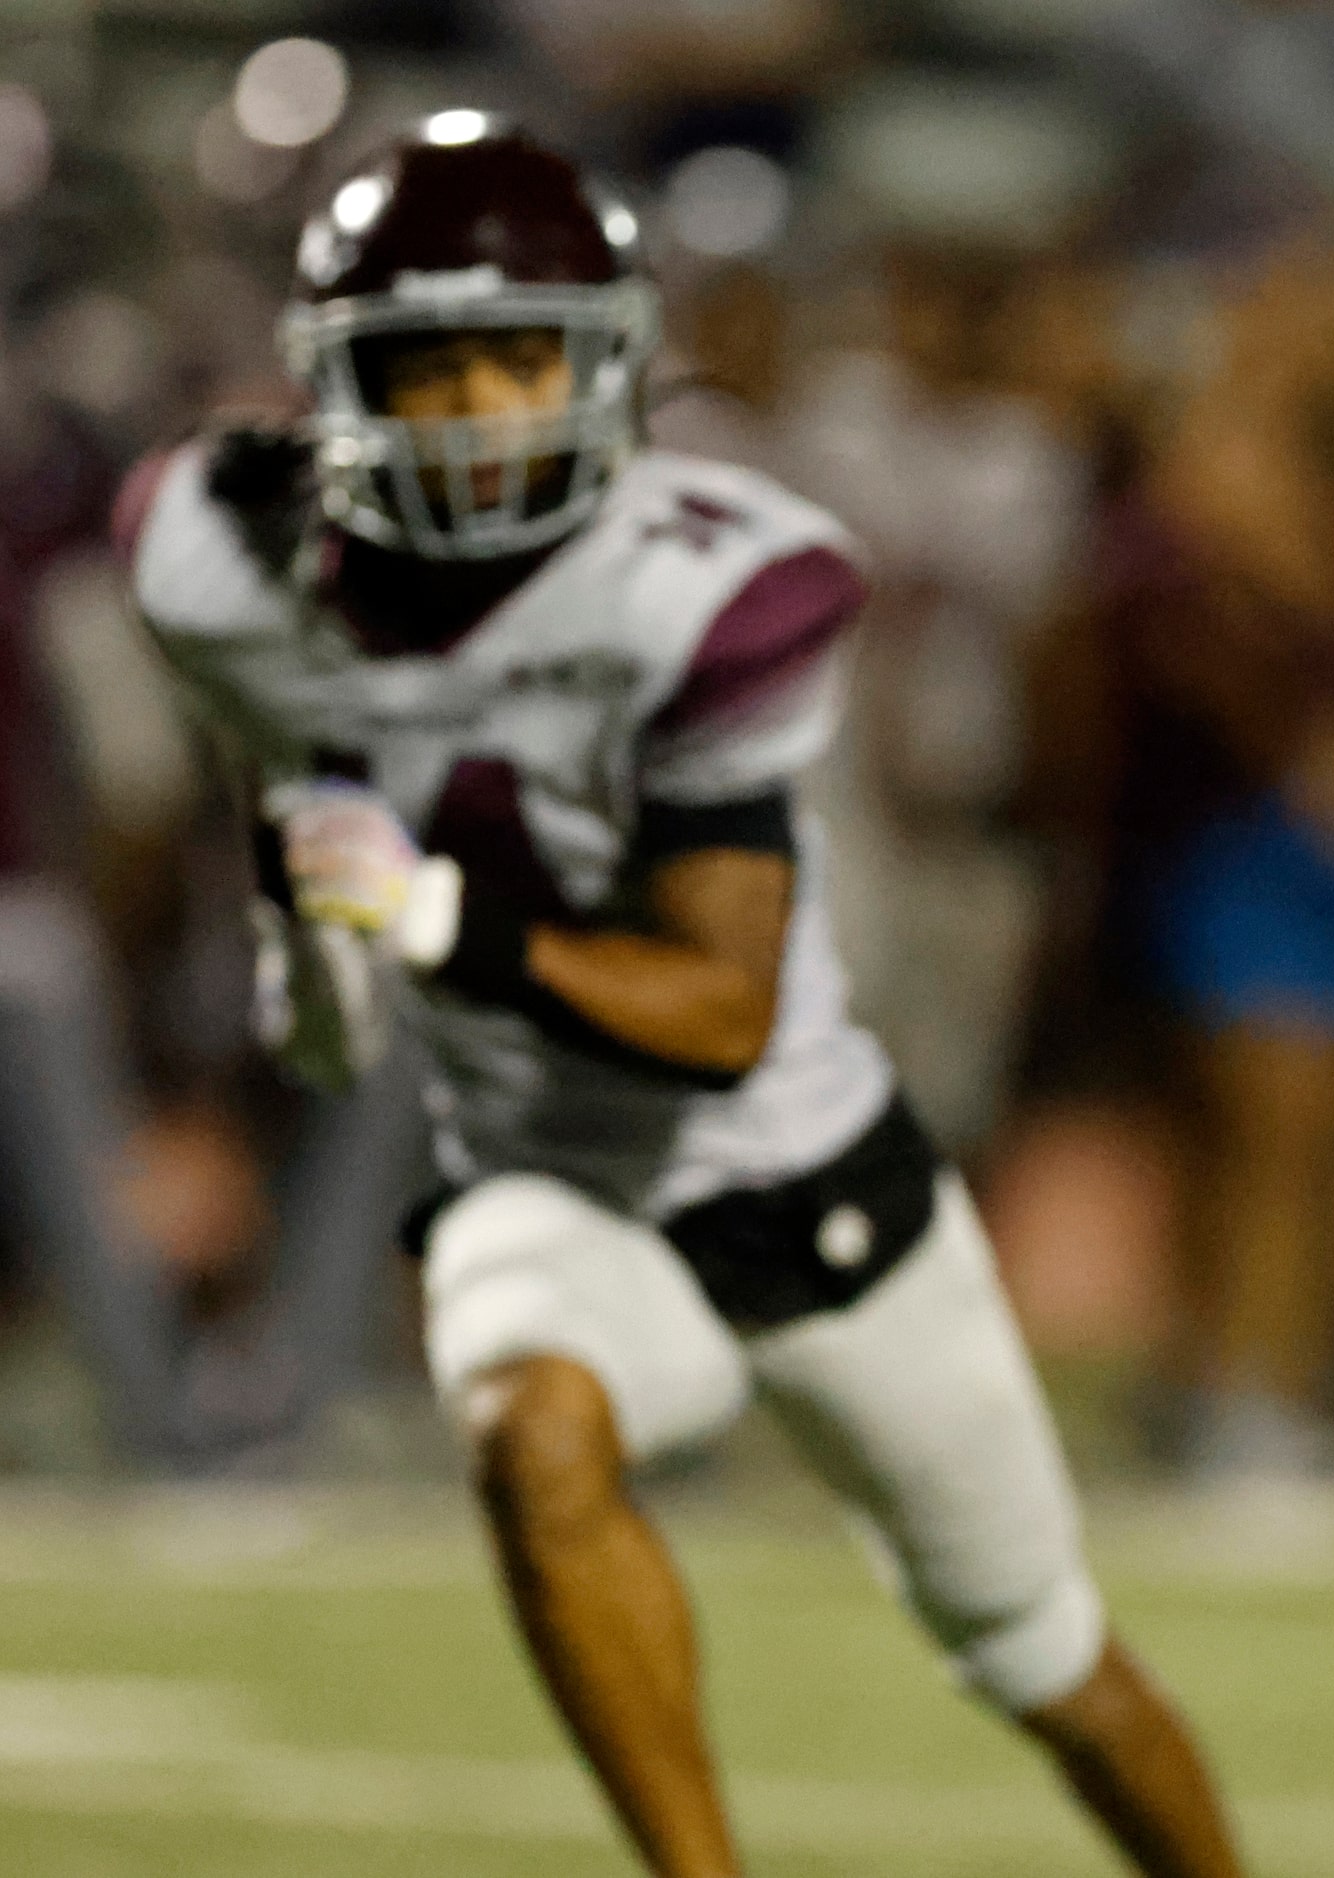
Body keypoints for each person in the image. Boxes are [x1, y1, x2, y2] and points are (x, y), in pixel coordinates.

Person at [125, 119, 1238, 1878]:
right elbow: (266, 688)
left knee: (1049, 1664)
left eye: (521, 357)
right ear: (342, 388)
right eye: (432, 367)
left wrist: (412, 908)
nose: (485, 408)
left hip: (805, 1178)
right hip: (552, 1180)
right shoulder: (229, 558)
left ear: (611, 363)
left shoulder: (711, 581)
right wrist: (298, 855)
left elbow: (711, 1004)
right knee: (529, 1428)